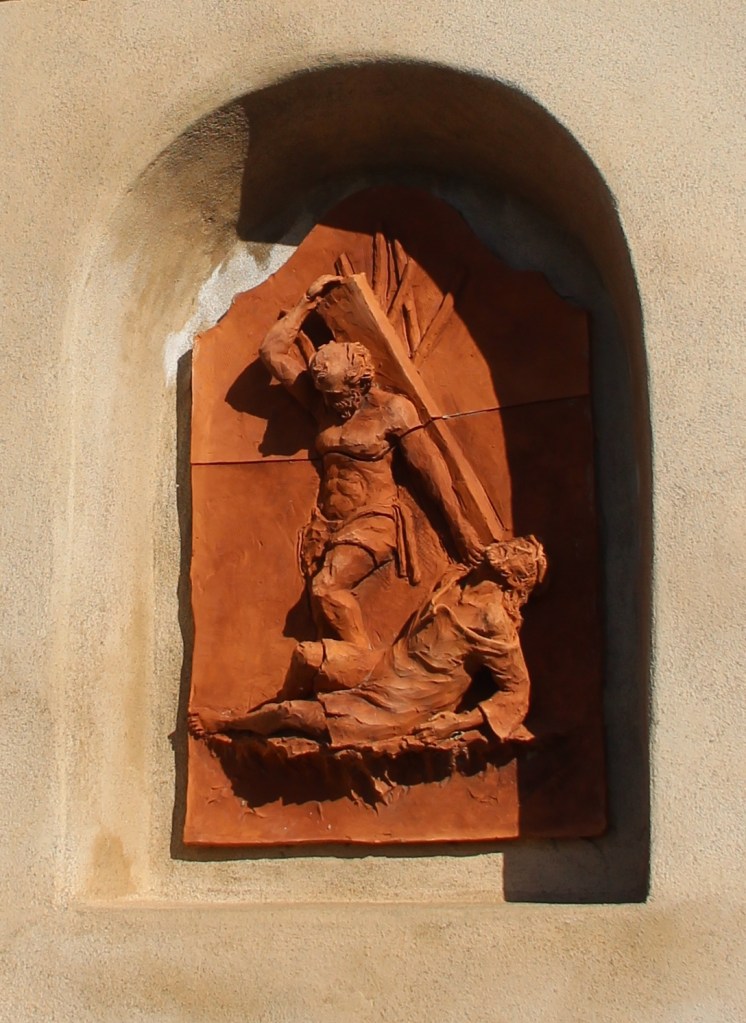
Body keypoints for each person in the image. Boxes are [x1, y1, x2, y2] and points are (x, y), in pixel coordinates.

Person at [259, 274, 483, 649]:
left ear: (360, 383)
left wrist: (461, 528)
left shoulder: (393, 411)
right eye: (325, 395)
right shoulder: (322, 406)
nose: (330, 403)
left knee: (327, 588)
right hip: (327, 523)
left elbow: (431, 471)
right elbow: (272, 353)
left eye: (337, 395)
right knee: (320, 611)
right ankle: (342, 670)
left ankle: (359, 659)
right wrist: (307, 302)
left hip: (374, 519)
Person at [188, 535, 547, 747]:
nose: (507, 548)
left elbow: (517, 692)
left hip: (402, 703)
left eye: (518, 554)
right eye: (513, 545)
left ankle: (232, 724)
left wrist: (455, 723)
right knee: (307, 655)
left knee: (293, 713)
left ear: (517, 578)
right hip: (383, 665)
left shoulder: (494, 623)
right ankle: (271, 711)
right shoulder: (456, 579)